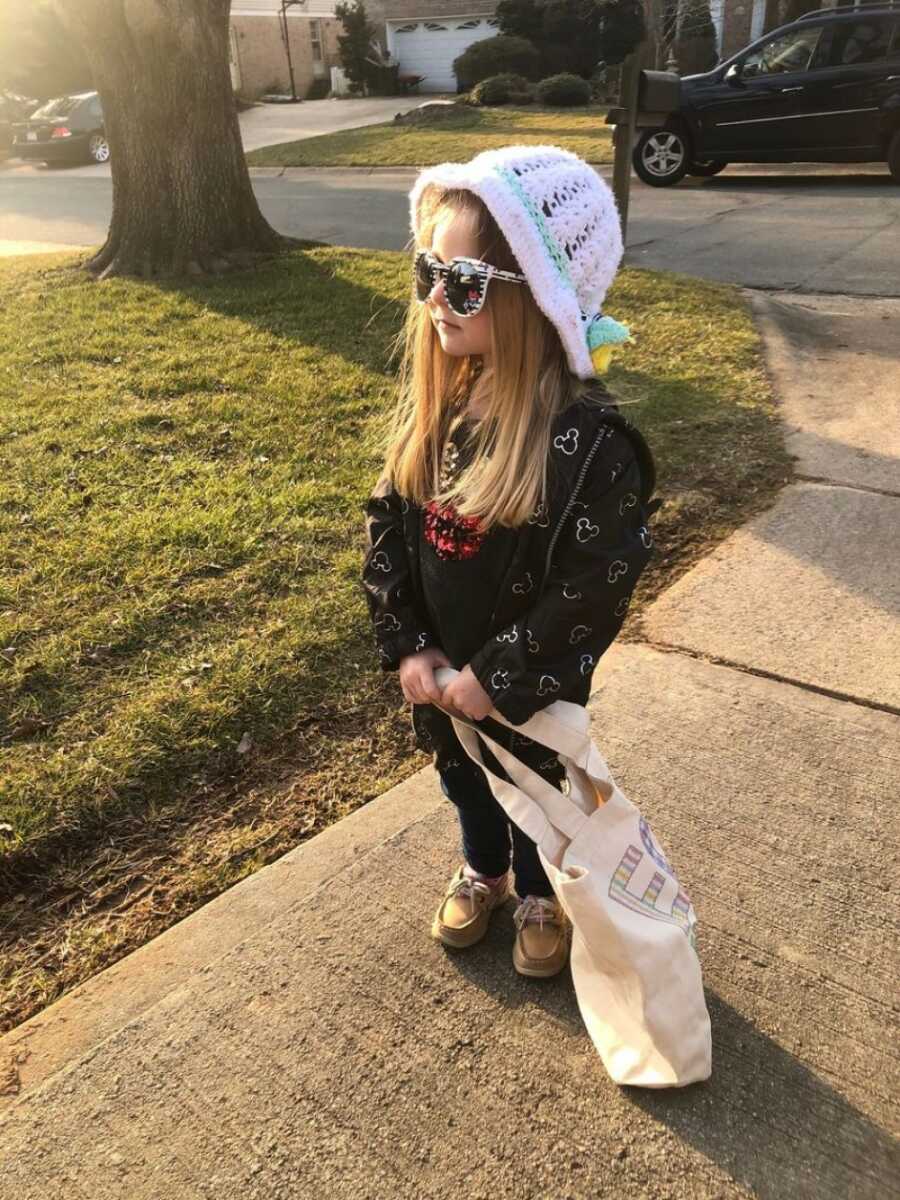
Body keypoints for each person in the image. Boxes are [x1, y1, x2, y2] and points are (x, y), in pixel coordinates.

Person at [361, 145, 658, 979]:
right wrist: (410, 642)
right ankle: (483, 870)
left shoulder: (591, 449)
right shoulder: (446, 404)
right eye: (428, 272)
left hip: (526, 689)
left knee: (536, 797)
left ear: (542, 297)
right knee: (463, 780)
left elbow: (593, 588)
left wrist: (500, 672)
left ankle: (537, 888)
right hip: (443, 676)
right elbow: (387, 522)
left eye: (463, 284)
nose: (435, 303)